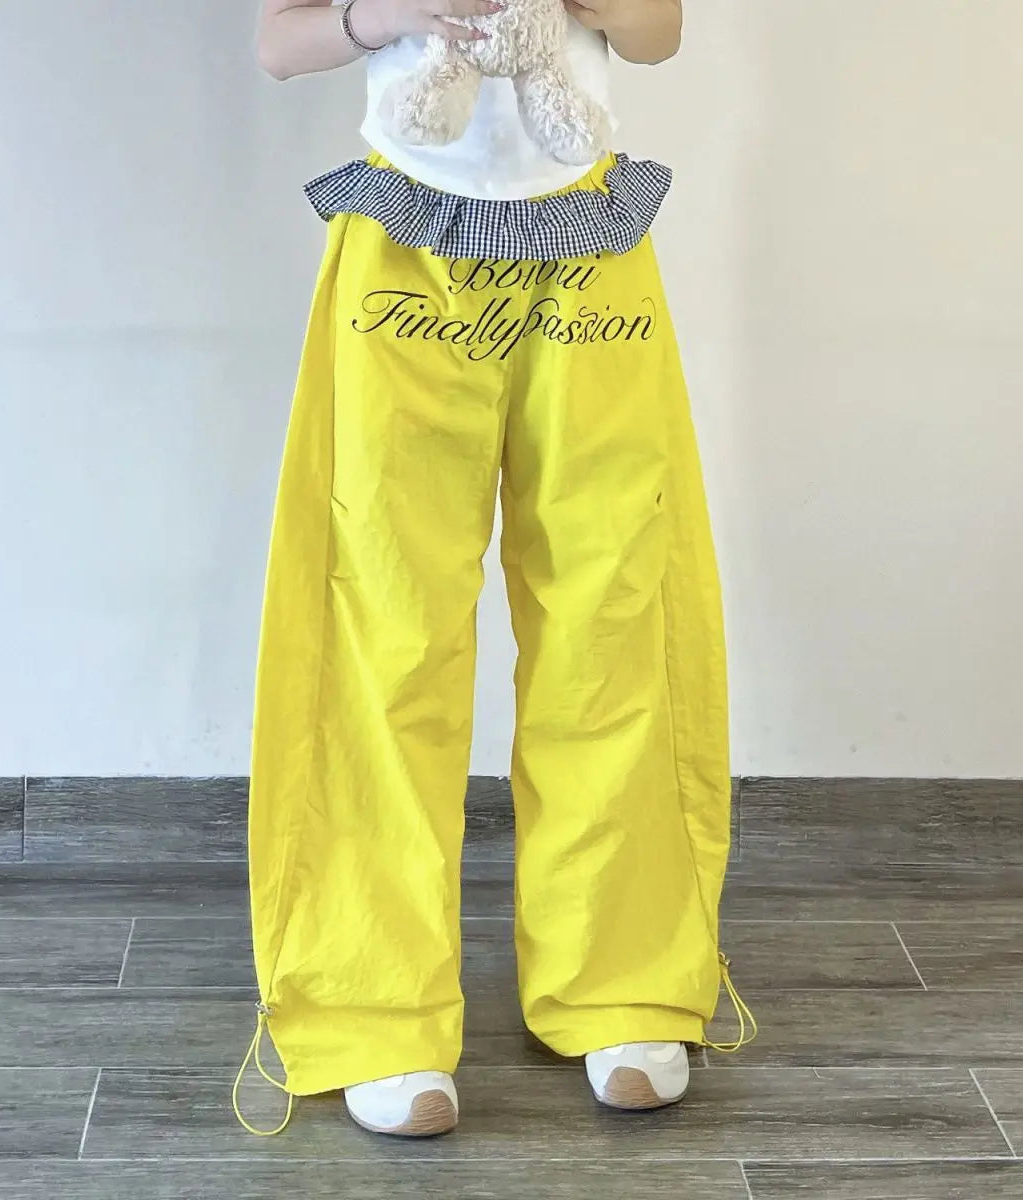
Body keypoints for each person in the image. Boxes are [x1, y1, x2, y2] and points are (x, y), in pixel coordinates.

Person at [235, 0, 752, 1139]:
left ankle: (622, 985)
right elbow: (279, 43)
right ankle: (375, 1008)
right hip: (404, 248)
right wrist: (384, 14)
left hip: (587, 240)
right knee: (381, 615)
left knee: (613, 608)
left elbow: (658, 33)